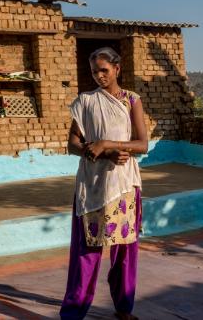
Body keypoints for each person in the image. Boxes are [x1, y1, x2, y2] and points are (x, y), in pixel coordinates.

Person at [60, 47, 148, 320]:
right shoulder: (86, 101)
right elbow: (72, 144)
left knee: (125, 253)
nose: (99, 76)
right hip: (93, 185)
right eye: (94, 71)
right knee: (87, 252)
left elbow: (142, 144)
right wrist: (95, 150)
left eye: (104, 70)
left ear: (117, 69)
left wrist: (108, 144)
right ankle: (73, 313)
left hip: (123, 184)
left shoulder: (131, 100)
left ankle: (124, 309)